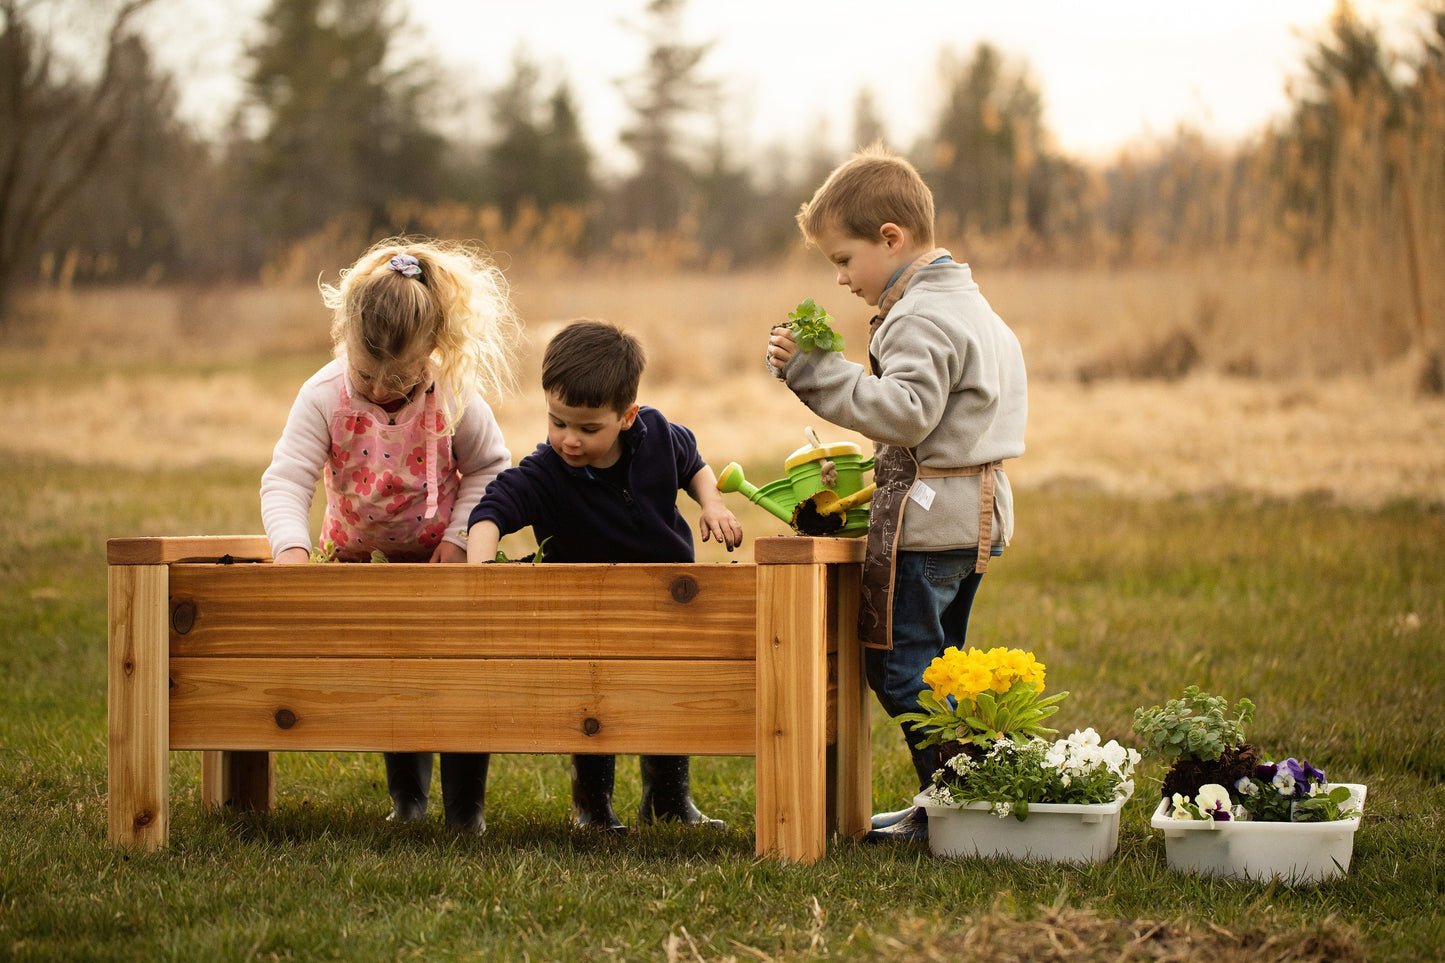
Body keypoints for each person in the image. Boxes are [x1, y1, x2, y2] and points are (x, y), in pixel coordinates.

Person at [765, 144, 1028, 843]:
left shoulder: (919, 316)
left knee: (898, 660)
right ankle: (955, 801)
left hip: (930, 523)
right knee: (947, 669)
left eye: (844, 260)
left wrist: (817, 373)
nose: (842, 279)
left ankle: (958, 803)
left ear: (891, 238)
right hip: (972, 515)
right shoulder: (970, 304)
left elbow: (907, 411)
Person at [261, 237, 520, 834]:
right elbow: (287, 479)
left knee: (456, 676)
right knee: (395, 677)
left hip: (440, 565)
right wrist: (292, 551)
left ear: (432, 349)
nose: (379, 388)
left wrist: (459, 541)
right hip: (361, 563)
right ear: (344, 339)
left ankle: (466, 809)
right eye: (365, 373)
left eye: (398, 376)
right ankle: (408, 798)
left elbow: (489, 466)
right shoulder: (322, 396)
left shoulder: (452, 392)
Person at [466, 319, 742, 832]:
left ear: (626, 416)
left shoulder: (658, 435)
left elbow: (695, 465)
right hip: (587, 611)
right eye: (557, 422)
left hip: (665, 601)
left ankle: (668, 801)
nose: (568, 440)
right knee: (593, 704)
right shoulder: (547, 471)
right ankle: (591, 808)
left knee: (664, 696)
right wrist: (481, 576)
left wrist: (713, 505)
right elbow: (492, 510)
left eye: (587, 428)